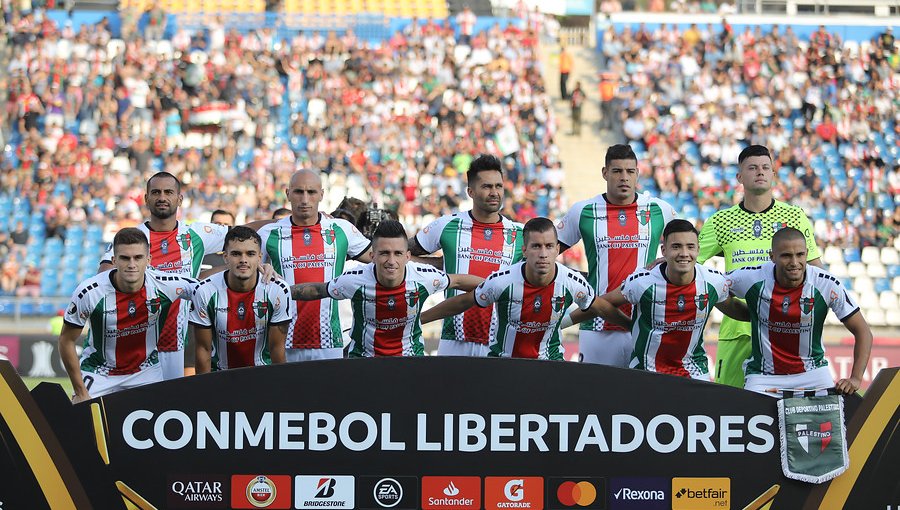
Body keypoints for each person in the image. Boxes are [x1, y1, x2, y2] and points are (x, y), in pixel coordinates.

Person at [698, 145, 823, 388]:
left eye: (766, 167)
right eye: (752, 167)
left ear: (774, 174)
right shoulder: (720, 221)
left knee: (784, 408)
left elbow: (817, 271)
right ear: (739, 177)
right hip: (737, 328)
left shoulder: (795, 216)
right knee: (729, 405)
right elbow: (692, 266)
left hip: (786, 328)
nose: (760, 172)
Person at [574, 220, 748, 379]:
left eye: (690, 247)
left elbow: (735, 308)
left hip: (694, 371)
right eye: (676, 247)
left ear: (698, 250)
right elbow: (601, 303)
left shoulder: (713, 281)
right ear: (664, 251)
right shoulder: (642, 282)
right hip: (647, 371)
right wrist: (629, 323)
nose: (684, 253)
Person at [98, 172, 231, 380]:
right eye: (156, 192)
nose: (162, 197)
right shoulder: (132, 237)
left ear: (179, 199)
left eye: (168, 192)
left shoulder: (195, 234)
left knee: (174, 406)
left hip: (176, 344)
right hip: (136, 342)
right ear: (146, 198)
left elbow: (245, 235)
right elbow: (104, 274)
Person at [556, 144, 676, 366]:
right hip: (596, 325)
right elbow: (546, 251)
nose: (624, 178)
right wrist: (571, 279)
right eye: (617, 171)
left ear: (638, 174)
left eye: (630, 172)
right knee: (595, 398)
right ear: (605, 173)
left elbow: (686, 248)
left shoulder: (660, 210)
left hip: (646, 325)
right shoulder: (583, 211)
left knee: (642, 399)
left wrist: (668, 260)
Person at [291, 220, 483, 357]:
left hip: (409, 363)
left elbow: (458, 281)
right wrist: (282, 291)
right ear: (372, 255)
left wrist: (497, 288)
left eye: (397, 253)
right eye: (384, 253)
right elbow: (318, 290)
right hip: (364, 364)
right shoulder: (353, 281)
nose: (391, 261)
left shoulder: (424, 277)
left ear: (408, 256)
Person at [422, 218, 595, 360]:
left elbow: (600, 305)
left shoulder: (570, 281)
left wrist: (565, 322)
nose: (543, 253)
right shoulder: (502, 280)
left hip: (548, 364)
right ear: (525, 251)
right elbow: (462, 296)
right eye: (536, 246)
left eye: (548, 246)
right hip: (496, 358)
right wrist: (419, 319)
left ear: (557, 249)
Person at [726, 228, 872, 396]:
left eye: (800, 255)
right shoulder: (752, 277)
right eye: (786, 255)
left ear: (807, 254)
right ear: (772, 256)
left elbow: (863, 332)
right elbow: (715, 288)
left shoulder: (826, 284)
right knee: (750, 419)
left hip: (813, 375)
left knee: (832, 421)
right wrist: (747, 313)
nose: (794, 262)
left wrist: (855, 378)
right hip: (763, 377)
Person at [59, 228, 197, 402]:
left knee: (160, 422)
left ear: (149, 260)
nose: (132, 264)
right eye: (125, 258)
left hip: (145, 370)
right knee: (82, 423)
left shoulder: (165, 285)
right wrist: (80, 392)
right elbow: (66, 340)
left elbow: (207, 292)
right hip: (99, 370)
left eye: (138, 258)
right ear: (114, 260)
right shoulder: (88, 293)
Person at [410, 154, 524, 356]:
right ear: (470, 191)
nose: (494, 192)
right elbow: (404, 252)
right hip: (453, 339)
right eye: (487, 186)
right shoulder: (447, 225)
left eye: (498, 186)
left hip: (498, 342)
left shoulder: (520, 234)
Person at [257, 170, 373, 361]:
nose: (304, 199)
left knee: (328, 392)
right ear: (287, 194)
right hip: (283, 340)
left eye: (311, 192)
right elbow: (245, 271)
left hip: (330, 341)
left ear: (321, 194)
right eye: (298, 192)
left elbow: (383, 258)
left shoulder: (340, 229)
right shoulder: (269, 233)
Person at [190, 227, 290, 373]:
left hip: (262, 374)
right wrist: (204, 391)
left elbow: (277, 348)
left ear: (259, 257)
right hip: (220, 374)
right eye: (236, 254)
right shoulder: (204, 291)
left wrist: (279, 390)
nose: (243, 260)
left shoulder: (277, 290)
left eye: (250, 254)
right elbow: (203, 349)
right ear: (225, 257)